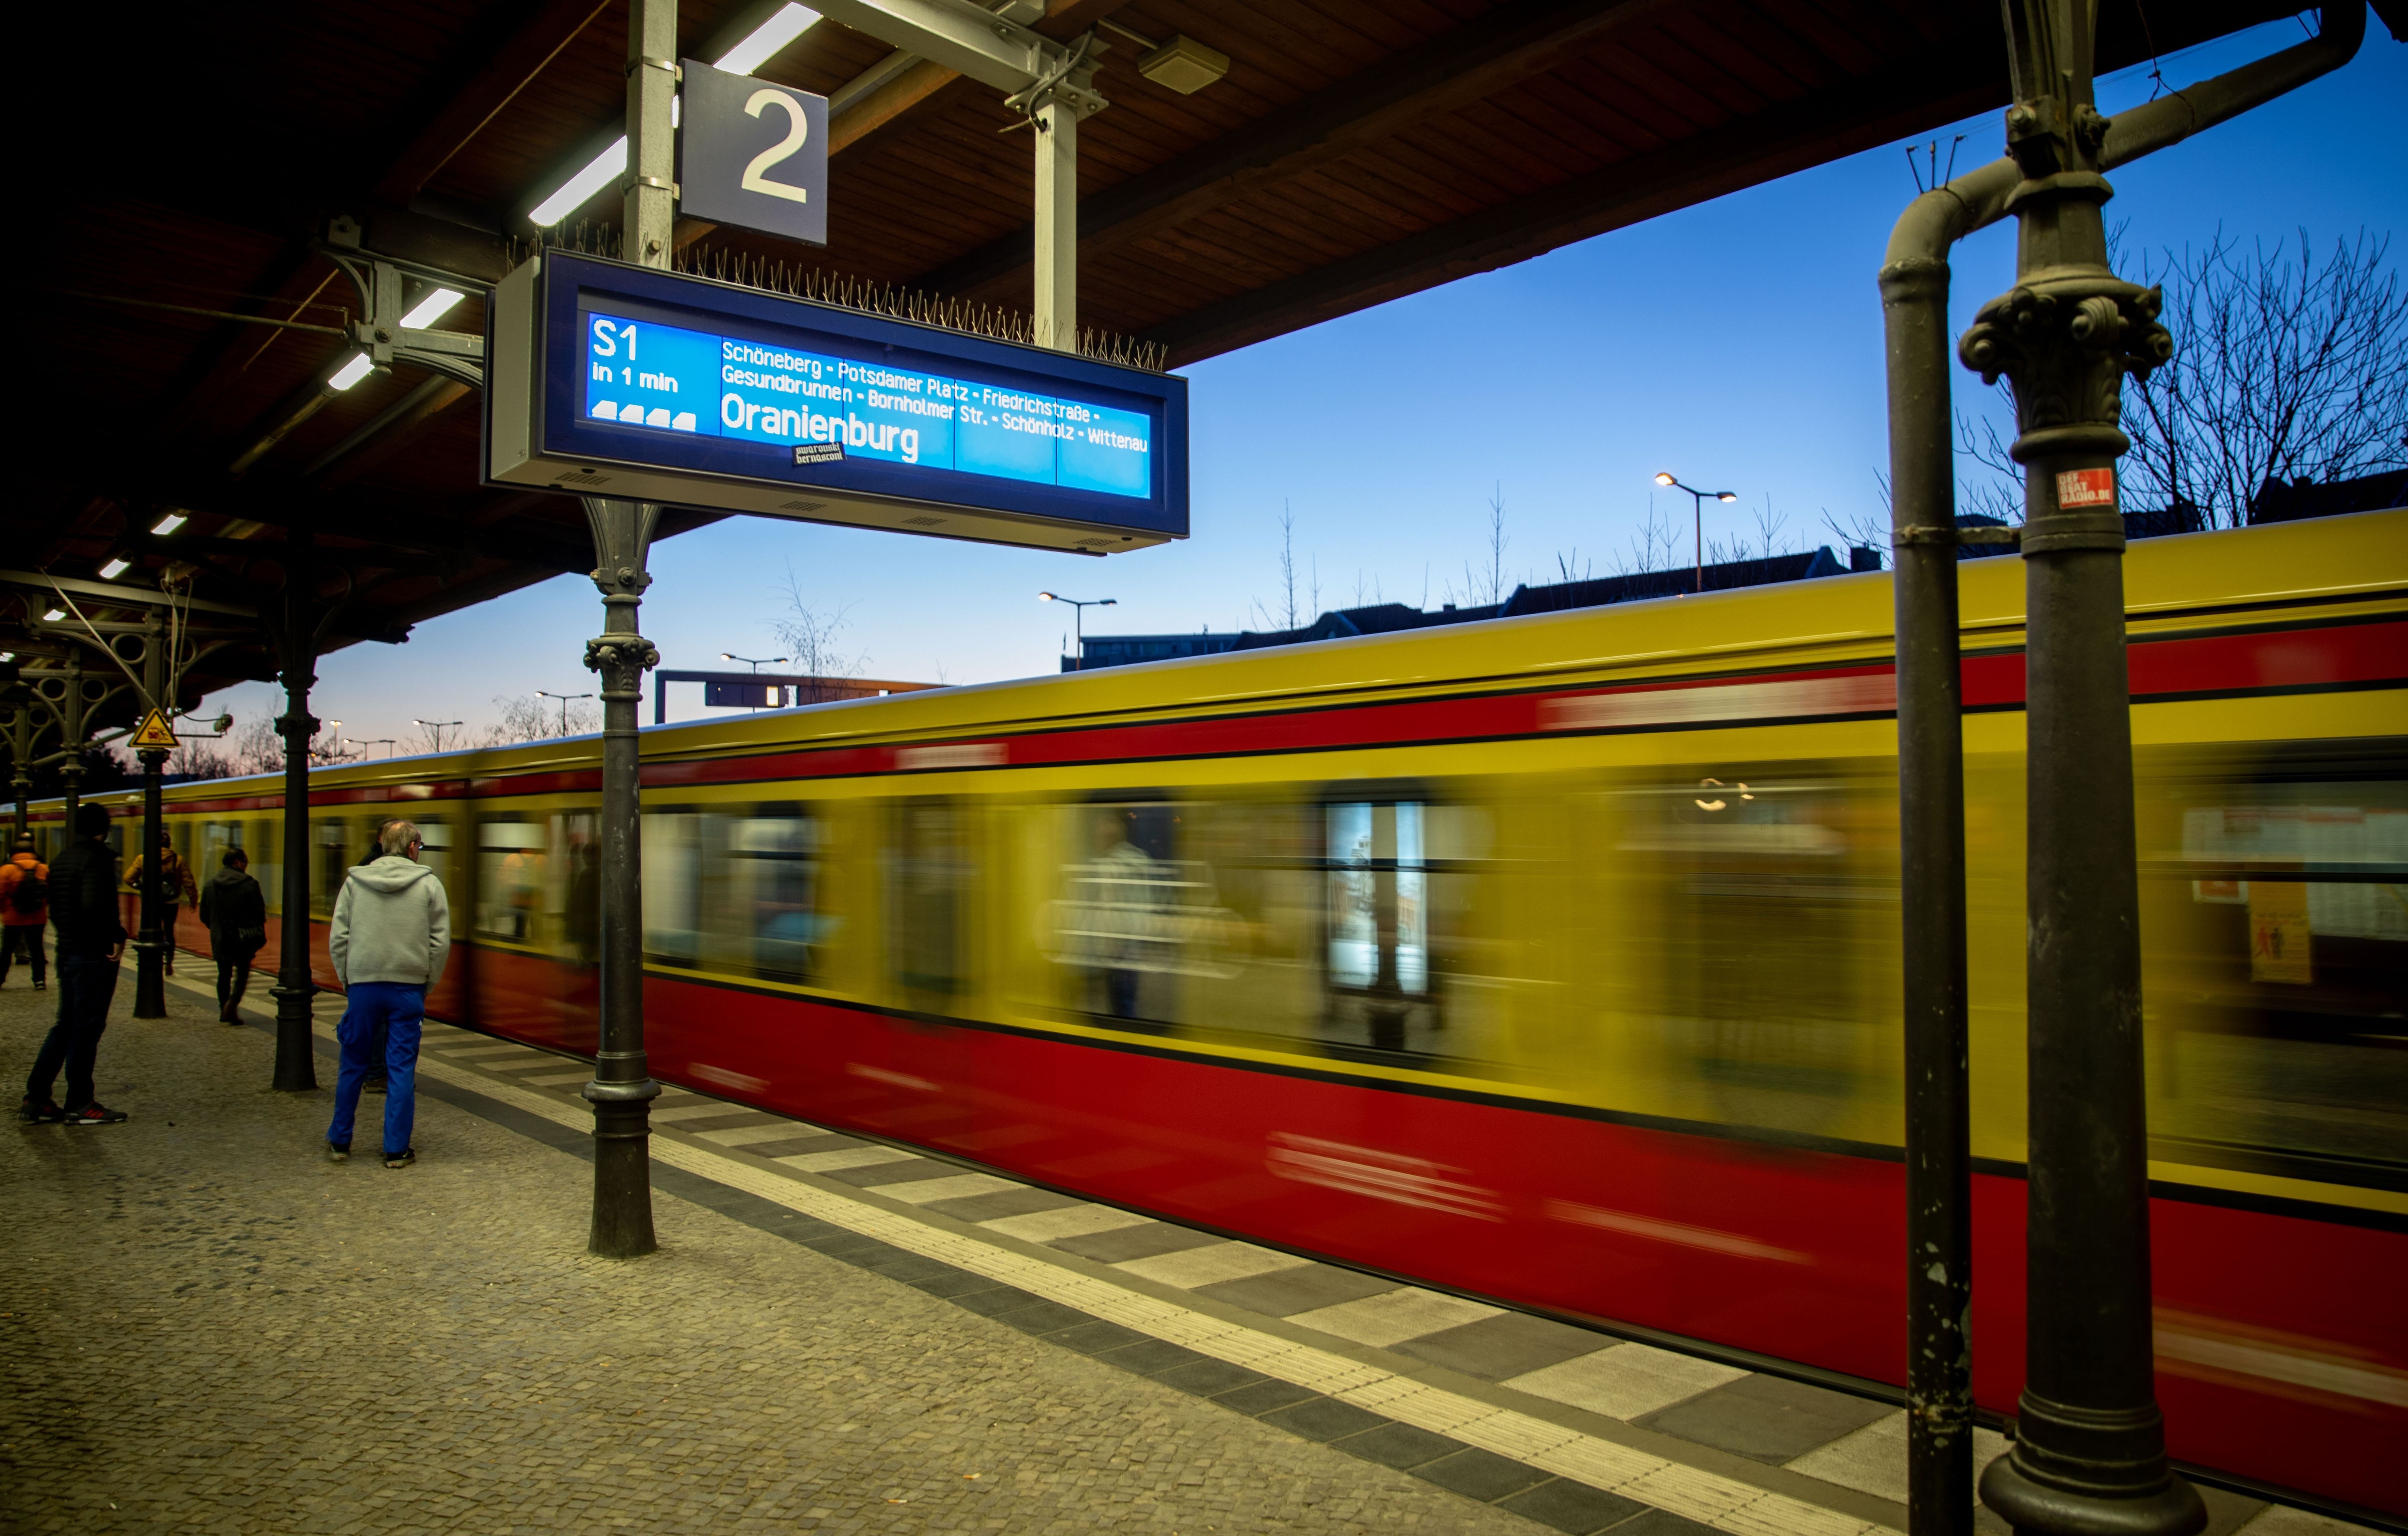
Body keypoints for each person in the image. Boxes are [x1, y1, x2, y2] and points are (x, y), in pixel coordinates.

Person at [325, 818, 450, 1169]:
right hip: (408, 987)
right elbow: (439, 942)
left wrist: (349, 979)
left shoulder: (354, 882)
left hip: (364, 985)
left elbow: (339, 938)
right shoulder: (429, 886)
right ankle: (396, 1150)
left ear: (382, 845)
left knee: (352, 1064)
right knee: (401, 1068)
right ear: (412, 848)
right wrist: (428, 981)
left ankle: (340, 1140)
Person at [18, 805, 128, 1126]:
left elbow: (56, 907)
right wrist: (116, 935)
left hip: (68, 951)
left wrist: (68, 935)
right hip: (91, 955)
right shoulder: (99, 858)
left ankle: (36, 1097)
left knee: (65, 1025)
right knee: (87, 1029)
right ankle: (81, 1101)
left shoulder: (61, 860)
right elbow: (94, 905)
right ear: (104, 828)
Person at [198, 848, 267, 1024]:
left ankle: (223, 1009)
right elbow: (259, 914)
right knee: (242, 974)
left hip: (221, 937)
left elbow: (204, 915)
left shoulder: (210, 884)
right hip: (243, 938)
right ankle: (233, 1004)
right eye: (246, 862)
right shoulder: (249, 884)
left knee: (224, 974)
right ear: (237, 862)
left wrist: (217, 928)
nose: (246, 865)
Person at [125, 827, 197, 977]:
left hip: (151, 903)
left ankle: (152, 960)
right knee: (169, 931)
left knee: (151, 929)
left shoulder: (143, 859)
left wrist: (140, 886)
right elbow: (189, 882)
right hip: (171, 902)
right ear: (170, 845)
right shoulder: (179, 860)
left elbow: (128, 878)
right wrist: (193, 900)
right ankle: (169, 962)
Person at [0, 836, 49, 991]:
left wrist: (5, 910)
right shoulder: (43, 868)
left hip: (13, 917)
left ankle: (1, 979)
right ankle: (40, 980)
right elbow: (50, 892)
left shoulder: (6, 870)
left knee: (7, 949)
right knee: (37, 948)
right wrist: (42, 906)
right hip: (37, 916)